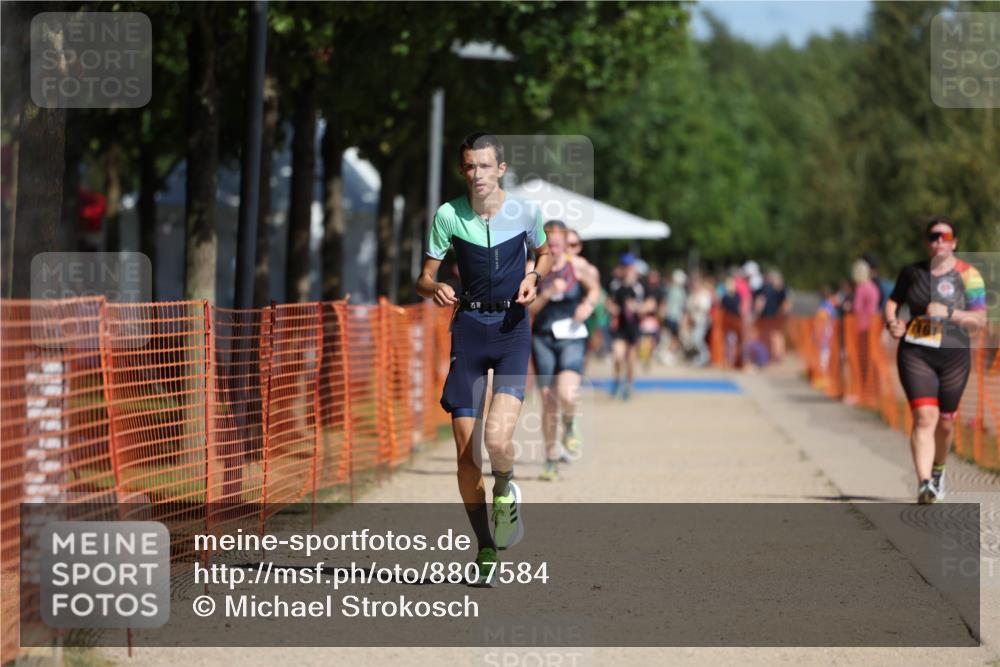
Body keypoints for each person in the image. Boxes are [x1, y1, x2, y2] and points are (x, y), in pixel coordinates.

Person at [416, 132, 552, 584]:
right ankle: (485, 548)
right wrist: (433, 287)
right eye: (469, 167)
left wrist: (533, 275)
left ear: (501, 169)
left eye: (484, 166)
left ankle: (506, 487)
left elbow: (545, 253)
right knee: (466, 455)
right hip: (469, 332)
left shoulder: (526, 212)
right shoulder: (448, 215)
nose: (476, 174)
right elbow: (424, 276)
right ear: (463, 171)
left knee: (497, 441)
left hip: (512, 330)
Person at [884, 216, 987, 504]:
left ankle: (938, 471)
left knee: (945, 423)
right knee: (924, 416)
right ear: (926, 242)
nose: (939, 241)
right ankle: (924, 483)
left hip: (954, 356)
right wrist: (892, 322)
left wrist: (950, 314)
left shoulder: (970, 275)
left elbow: (979, 320)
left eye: (945, 236)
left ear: (954, 242)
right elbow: (893, 302)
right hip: (916, 352)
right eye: (933, 236)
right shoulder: (912, 273)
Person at [528, 223, 600, 481]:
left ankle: (569, 423)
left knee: (567, 394)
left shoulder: (577, 267)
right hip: (543, 338)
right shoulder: (532, 269)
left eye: (560, 246)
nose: (557, 251)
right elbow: (529, 310)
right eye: (552, 246)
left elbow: (594, 289)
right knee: (548, 401)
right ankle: (550, 459)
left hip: (571, 336)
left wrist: (588, 306)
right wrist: (547, 292)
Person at [606, 253, 645, 399]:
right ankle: (617, 380)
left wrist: (637, 307)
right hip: (619, 326)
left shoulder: (640, 285)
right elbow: (608, 301)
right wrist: (612, 308)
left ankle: (628, 384)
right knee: (617, 356)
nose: (628, 269)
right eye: (625, 266)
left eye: (630, 266)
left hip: (633, 326)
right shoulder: (615, 284)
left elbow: (651, 303)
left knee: (630, 359)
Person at [849, 259, 881, 403]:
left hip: (862, 327)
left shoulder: (861, 288)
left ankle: (862, 392)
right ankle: (873, 392)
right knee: (871, 359)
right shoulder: (873, 287)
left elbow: (856, 308)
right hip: (874, 326)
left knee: (861, 361)